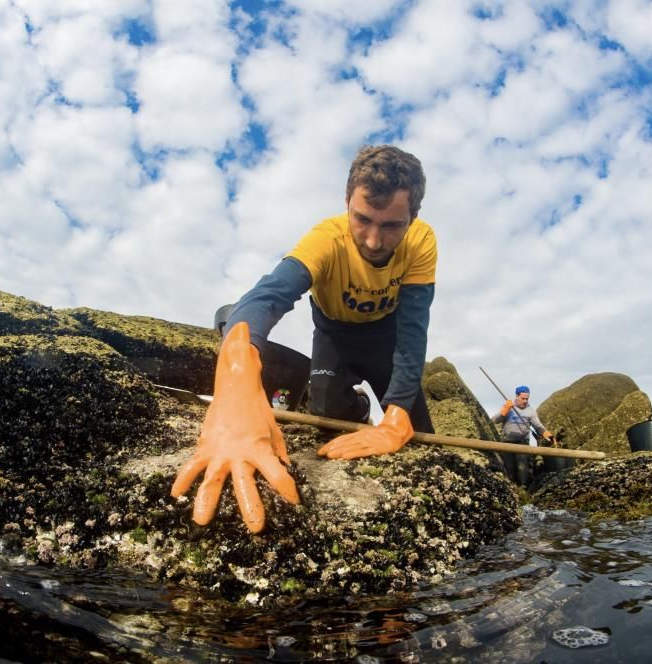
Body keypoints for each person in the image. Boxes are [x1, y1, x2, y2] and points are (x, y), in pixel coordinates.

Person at [171, 145, 437, 533]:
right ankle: (358, 406)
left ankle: (387, 409)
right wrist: (236, 380)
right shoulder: (326, 239)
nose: (374, 240)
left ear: (413, 217)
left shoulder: (422, 242)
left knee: (421, 436)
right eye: (362, 219)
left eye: (391, 225)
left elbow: (414, 331)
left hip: (387, 337)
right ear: (346, 202)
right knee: (329, 422)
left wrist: (397, 415)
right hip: (334, 334)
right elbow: (264, 300)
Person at [493, 385, 554, 486]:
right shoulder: (509, 407)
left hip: (522, 442)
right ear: (517, 396)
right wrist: (505, 410)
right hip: (507, 442)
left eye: (527, 398)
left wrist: (547, 435)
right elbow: (494, 420)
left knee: (522, 467)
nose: (525, 401)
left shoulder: (531, 411)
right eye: (523, 398)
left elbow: (538, 426)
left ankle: (523, 488)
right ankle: (512, 488)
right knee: (509, 467)